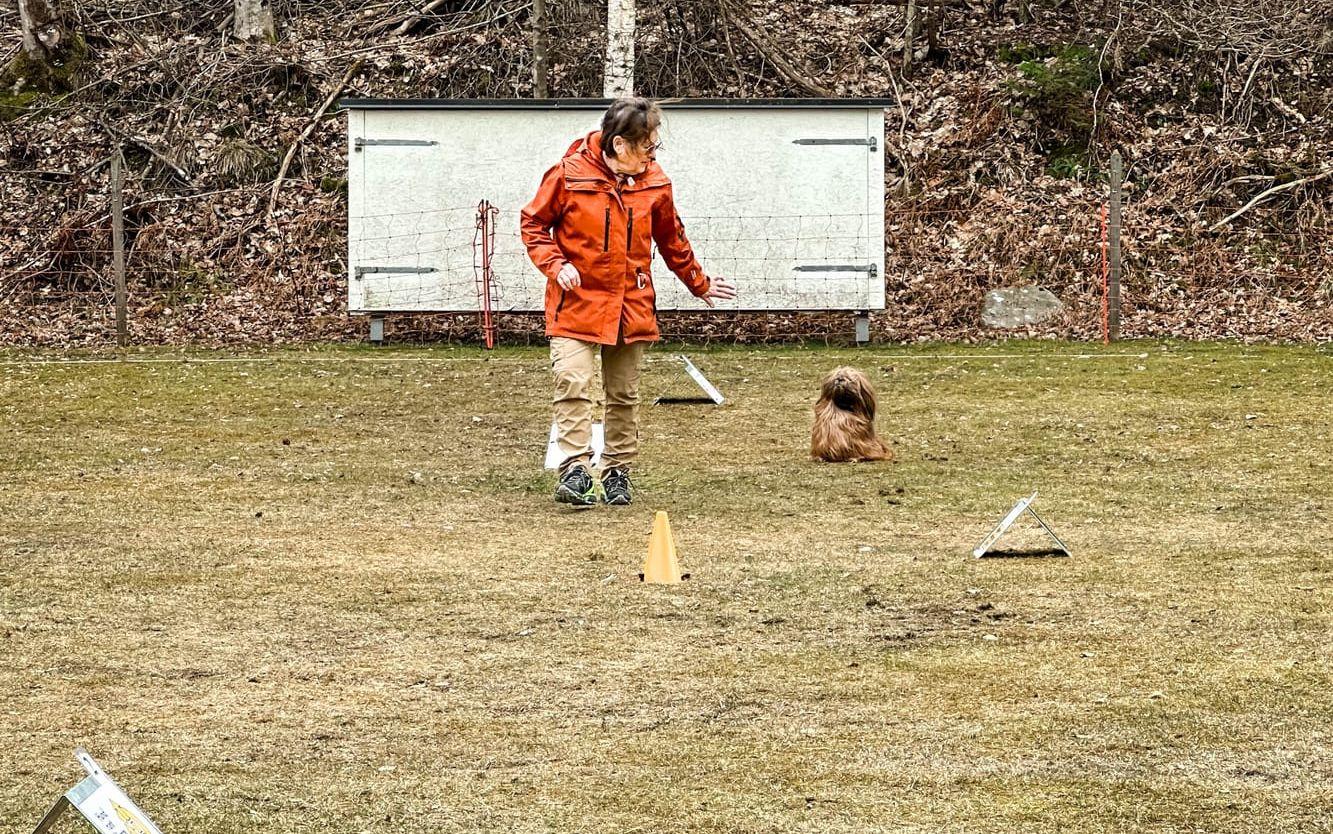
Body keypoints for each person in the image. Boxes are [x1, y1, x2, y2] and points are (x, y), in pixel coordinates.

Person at [521, 96, 736, 507]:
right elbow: (532, 224)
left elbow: (673, 240)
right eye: (646, 146)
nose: (652, 153)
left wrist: (700, 284)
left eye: (655, 146)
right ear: (620, 144)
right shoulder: (566, 175)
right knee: (573, 383)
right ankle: (574, 471)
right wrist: (554, 264)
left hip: (631, 304)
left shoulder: (656, 182)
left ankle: (617, 470)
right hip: (575, 302)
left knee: (624, 393)